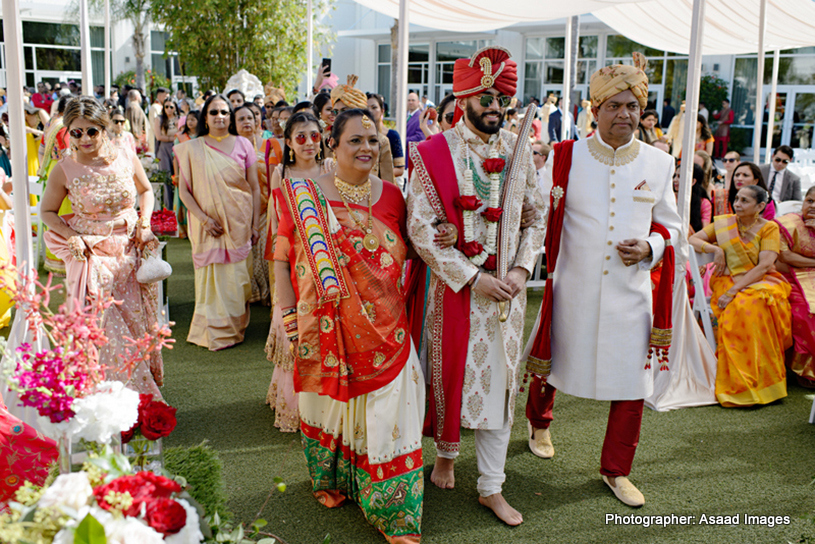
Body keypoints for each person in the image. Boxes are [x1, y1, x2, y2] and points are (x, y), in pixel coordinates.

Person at [525, 53, 682, 508]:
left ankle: (616, 470)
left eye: (632, 106)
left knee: (632, 384)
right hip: (570, 288)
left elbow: (673, 225)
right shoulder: (563, 157)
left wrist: (652, 246)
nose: (624, 115)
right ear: (594, 111)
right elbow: (532, 214)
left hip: (630, 295)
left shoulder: (658, 163)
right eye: (614, 106)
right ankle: (540, 423)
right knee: (550, 364)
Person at [407, 46, 546, 526]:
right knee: (451, 377)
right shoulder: (431, 154)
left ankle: (491, 486)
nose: (494, 107)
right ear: (461, 97)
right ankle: (446, 452)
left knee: (501, 386)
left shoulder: (518, 148)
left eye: (500, 99)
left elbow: (536, 217)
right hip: (456, 292)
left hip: (507, 292)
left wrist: (520, 272)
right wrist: (474, 278)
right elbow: (421, 230)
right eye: (484, 98)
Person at [274, 109, 424, 542]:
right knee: (331, 407)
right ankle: (337, 479)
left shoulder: (395, 196)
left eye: (373, 140)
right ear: (332, 146)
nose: (366, 148)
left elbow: (412, 253)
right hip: (325, 328)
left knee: (392, 413)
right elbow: (281, 261)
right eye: (355, 140)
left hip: (388, 328)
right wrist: (288, 319)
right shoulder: (300, 194)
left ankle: (396, 512)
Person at [41, 96, 164, 397]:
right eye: (76, 132)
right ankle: (118, 398)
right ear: (68, 132)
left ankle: (137, 397)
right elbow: (47, 212)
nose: (84, 138)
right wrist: (70, 234)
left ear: (104, 128)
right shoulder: (64, 168)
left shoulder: (125, 154)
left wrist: (144, 223)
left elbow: (146, 190)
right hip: (91, 255)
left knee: (135, 322)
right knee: (104, 325)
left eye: (91, 131)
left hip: (130, 252)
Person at [689, 185, 791, 406]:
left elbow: (765, 265)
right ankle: (739, 385)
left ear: (760, 206)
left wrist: (734, 291)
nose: (737, 204)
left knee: (759, 303)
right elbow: (693, 239)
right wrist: (715, 249)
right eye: (737, 199)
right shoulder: (725, 223)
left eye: (745, 201)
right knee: (743, 308)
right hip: (726, 280)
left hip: (760, 280)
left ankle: (764, 383)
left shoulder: (769, 228)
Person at [175, 94, 261, 351]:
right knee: (210, 281)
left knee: (238, 280)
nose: (220, 117)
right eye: (214, 112)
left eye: (225, 112)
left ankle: (234, 329)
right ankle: (210, 331)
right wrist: (203, 219)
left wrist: (255, 225)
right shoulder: (192, 147)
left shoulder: (244, 144)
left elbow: (255, 188)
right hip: (207, 227)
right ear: (205, 117)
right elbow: (184, 192)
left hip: (238, 222)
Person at [263, 111, 329, 432]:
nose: (307, 143)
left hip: (328, 262)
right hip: (292, 259)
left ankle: (325, 403)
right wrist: (282, 265)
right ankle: (293, 406)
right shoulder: (282, 173)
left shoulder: (331, 169)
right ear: (288, 142)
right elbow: (277, 223)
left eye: (314, 136)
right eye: (300, 137)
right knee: (295, 329)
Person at [776, 187, 815, 388]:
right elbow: (786, 257)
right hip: (789, 276)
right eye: (810, 200)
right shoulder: (788, 224)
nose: (813, 206)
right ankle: (806, 371)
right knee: (805, 312)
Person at [235, 104, 271, 306]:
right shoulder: (230, 147)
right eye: (241, 119)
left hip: (266, 204)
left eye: (252, 117)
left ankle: (266, 294)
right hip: (239, 209)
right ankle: (250, 293)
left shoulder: (268, 145)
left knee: (264, 250)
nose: (248, 122)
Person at [331, 76, 394, 183]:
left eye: (344, 111)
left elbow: (388, 181)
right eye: (336, 112)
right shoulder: (327, 140)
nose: (339, 116)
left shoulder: (380, 141)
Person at [368, 93, 405, 178]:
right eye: (366, 108)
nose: (370, 111)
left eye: (374, 107)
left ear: (382, 111)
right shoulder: (358, 134)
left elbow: (400, 169)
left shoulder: (392, 135)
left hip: (384, 184)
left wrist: (377, 174)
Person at [154, 97, 178, 209]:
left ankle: (177, 204)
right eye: (166, 106)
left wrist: (171, 138)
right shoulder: (159, 119)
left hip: (177, 148)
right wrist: (171, 138)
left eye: (171, 107)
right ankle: (167, 206)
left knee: (178, 176)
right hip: (164, 149)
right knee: (166, 176)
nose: (169, 109)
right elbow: (159, 136)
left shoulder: (179, 119)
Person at [714, 150, 741, 216]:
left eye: (731, 160)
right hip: (719, 211)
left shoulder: (740, 180)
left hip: (735, 211)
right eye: (724, 160)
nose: (727, 163)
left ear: (738, 163)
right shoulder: (718, 177)